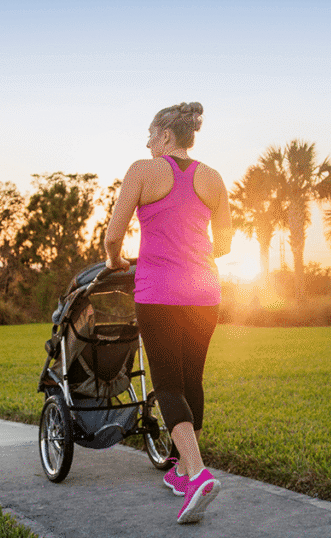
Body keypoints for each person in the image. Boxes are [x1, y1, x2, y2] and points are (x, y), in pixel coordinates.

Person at [103, 102, 232, 524]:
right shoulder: (213, 178)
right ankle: (180, 469)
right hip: (205, 294)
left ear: (165, 136)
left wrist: (115, 262)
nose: (146, 143)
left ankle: (197, 475)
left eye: (150, 135)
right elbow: (225, 244)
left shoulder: (142, 170)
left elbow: (113, 236)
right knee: (191, 381)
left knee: (168, 385)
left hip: (158, 293)